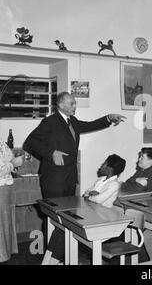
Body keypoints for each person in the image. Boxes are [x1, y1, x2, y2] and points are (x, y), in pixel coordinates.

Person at [23, 91, 126, 265]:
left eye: (75, 103)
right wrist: (51, 153)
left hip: (69, 177)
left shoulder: (73, 122)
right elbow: (30, 142)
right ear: (61, 105)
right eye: (71, 103)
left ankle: (59, 256)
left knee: (67, 217)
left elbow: (90, 125)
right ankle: (51, 256)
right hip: (53, 178)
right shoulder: (50, 121)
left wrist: (108, 118)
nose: (74, 106)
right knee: (55, 217)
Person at [0, 138, 23, 263]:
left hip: (5, 186)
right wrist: (13, 164)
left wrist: (13, 165)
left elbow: (9, 157)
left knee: (5, 221)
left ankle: (5, 253)